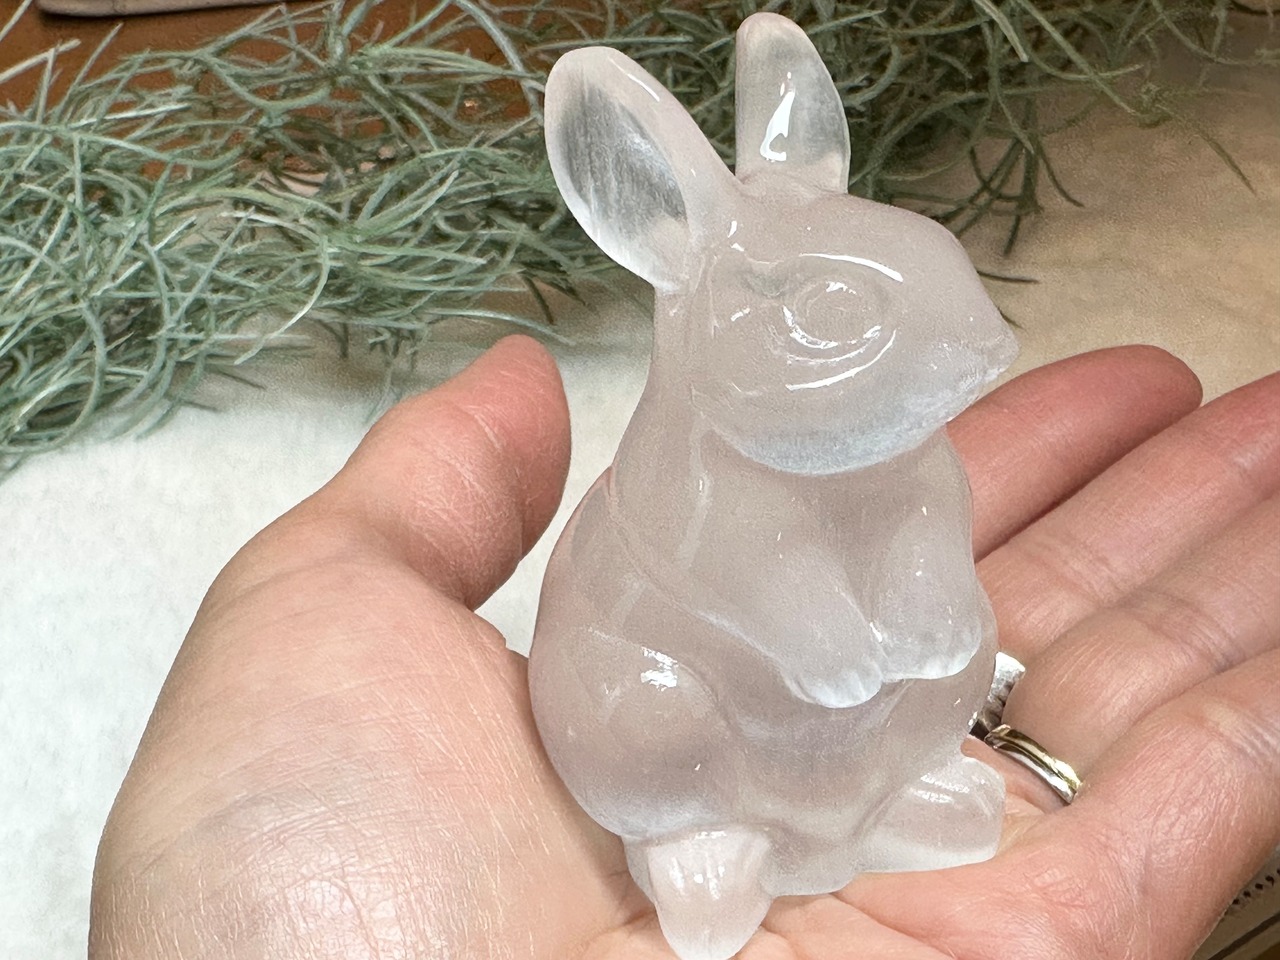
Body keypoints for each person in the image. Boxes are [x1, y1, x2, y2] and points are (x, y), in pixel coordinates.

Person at [88, 336, 1280, 960]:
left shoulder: (899, 447)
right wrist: (822, 640)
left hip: (850, 738)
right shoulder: (695, 463)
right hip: (700, 728)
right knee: (652, 701)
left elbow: (924, 536)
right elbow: (752, 579)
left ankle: (872, 798)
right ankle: (691, 835)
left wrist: (917, 618)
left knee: (952, 644)